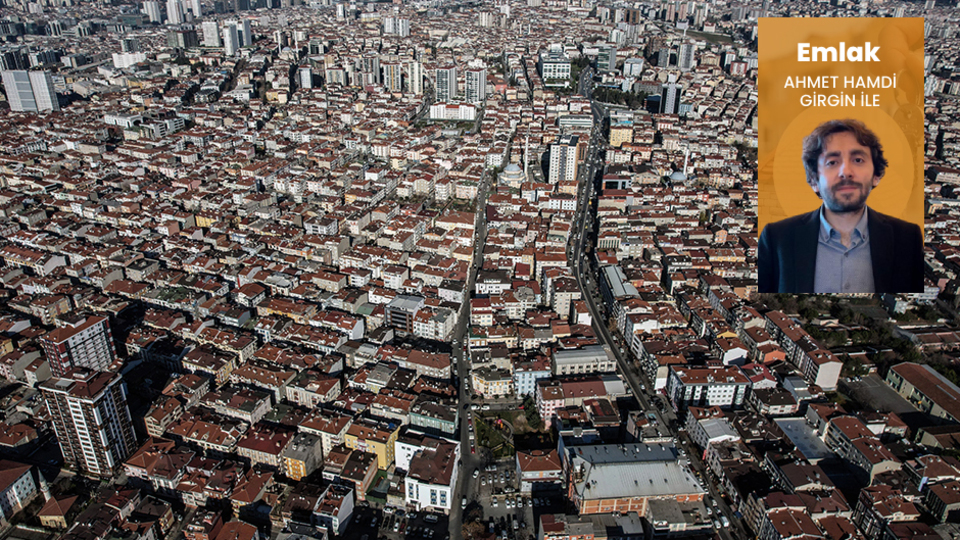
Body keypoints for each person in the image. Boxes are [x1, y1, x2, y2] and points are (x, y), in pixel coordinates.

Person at [758, 119, 923, 293]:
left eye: (858, 160)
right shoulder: (777, 239)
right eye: (832, 162)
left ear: (876, 175)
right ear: (814, 180)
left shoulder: (907, 239)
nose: (846, 172)